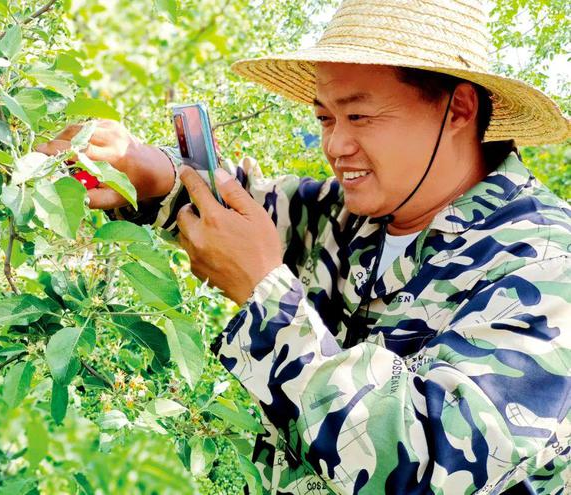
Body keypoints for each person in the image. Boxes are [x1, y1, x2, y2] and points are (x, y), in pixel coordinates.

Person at [38, 0, 570, 493]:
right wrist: (147, 171)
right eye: (324, 118)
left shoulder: (545, 262)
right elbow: (247, 207)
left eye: (359, 116)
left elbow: (433, 465)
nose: (335, 145)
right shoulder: (351, 213)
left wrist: (266, 295)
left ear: (458, 109)